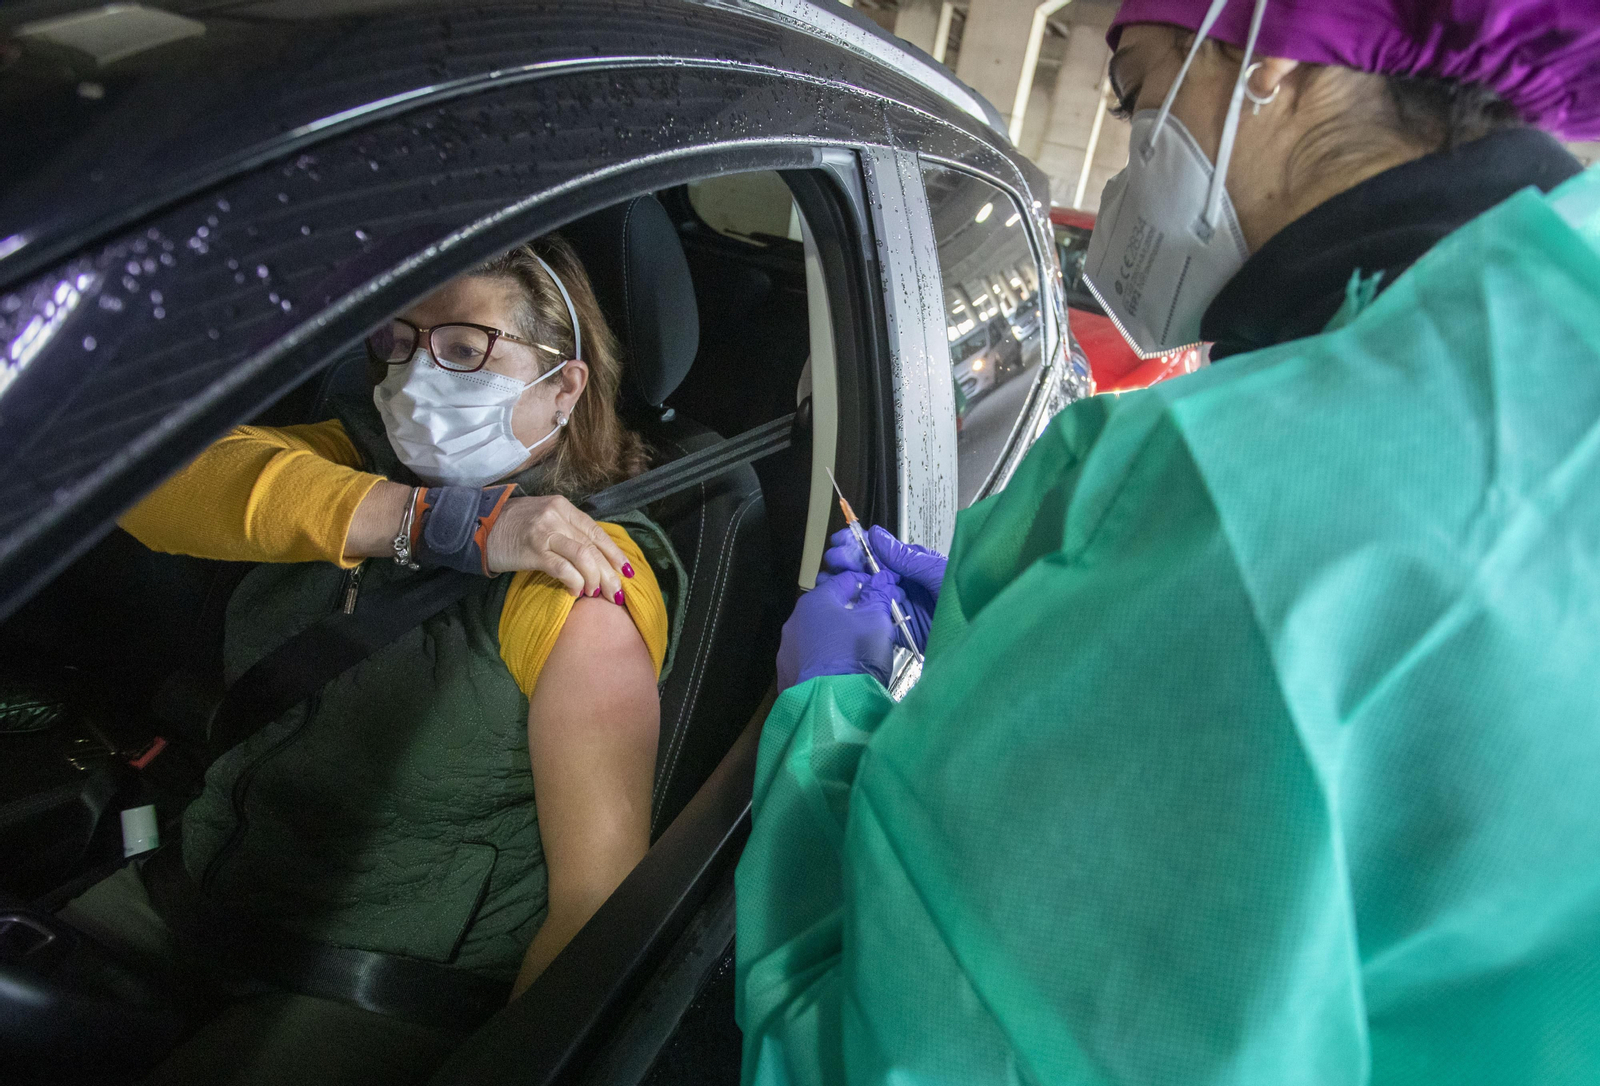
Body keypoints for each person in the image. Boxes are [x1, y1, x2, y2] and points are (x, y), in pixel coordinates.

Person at [737, 2, 1600, 1083]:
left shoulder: (1255, 485)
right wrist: (1064, 620)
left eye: (1139, 94)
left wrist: (823, 718)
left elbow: (911, 1052)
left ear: (1275, 66)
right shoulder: (1549, 315)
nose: (1120, 180)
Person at [59, 236, 681, 1084]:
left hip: (367, 984)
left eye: (465, 349)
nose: (416, 378)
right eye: (398, 343)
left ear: (564, 386)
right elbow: (145, 483)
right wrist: (430, 520)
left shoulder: (583, 581)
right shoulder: (357, 466)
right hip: (191, 898)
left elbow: (594, 905)